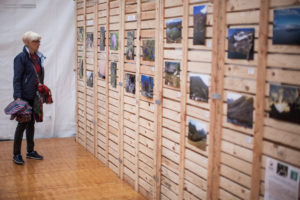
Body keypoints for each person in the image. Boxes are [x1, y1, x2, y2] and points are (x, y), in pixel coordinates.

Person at [12, 31, 45, 165]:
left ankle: (30, 151)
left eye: (39, 41)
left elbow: (38, 76)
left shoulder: (37, 57)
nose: (38, 43)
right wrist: (18, 98)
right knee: (22, 125)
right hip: (24, 97)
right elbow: (17, 79)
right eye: (35, 41)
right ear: (27, 43)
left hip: (34, 96)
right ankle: (16, 154)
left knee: (31, 123)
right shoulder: (20, 58)